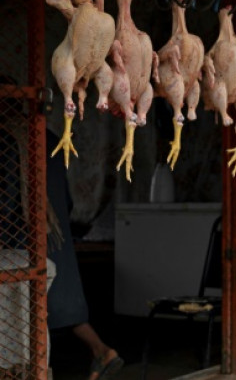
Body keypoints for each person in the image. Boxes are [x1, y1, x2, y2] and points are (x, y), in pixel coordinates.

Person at [45, 129, 124, 380]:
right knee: (62, 302)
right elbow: (68, 200)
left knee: (39, 302)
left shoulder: (13, 139)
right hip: (56, 230)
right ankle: (102, 352)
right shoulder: (51, 137)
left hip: (32, 234)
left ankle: (38, 370)